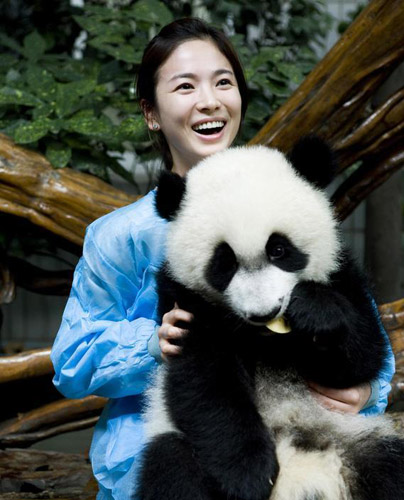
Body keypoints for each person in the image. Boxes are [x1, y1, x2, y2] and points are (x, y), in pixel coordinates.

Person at [51, 17, 395, 500]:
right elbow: (71, 363)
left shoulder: (289, 199)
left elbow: (371, 355)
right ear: (152, 112)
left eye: (223, 81)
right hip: (169, 454)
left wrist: (365, 389)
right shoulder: (122, 236)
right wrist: (152, 342)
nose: (208, 100)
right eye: (185, 86)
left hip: (314, 431)